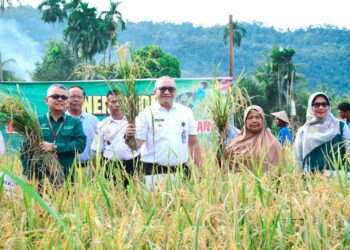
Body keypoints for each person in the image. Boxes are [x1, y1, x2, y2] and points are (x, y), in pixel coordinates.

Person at [124, 76, 202, 179]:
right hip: (152, 172)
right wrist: (128, 137)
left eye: (171, 89)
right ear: (155, 91)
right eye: (162, 88)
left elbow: (193, 143)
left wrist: (201, 170)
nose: (167, 92)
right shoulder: (146, 114)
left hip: (181, 170)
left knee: (183, 196)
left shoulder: (186, 112)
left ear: (175, 92)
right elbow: (137, 145)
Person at [21, 84, 86, 182]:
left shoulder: (75, 122)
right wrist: (27, 173)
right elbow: (25, 150)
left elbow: (80, 145)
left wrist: (55, 147)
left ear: (67, 101)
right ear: (46, 100)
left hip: (66, 178)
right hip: (40, 179)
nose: (60, 99)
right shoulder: (35, 122)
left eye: (64, 97)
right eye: (55, 96)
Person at [91, 90, 140, 188]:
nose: (117, 105)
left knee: (134, 194)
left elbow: (142, 147)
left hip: (133, 163)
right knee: (113, 194)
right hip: (110, 165)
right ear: (107, 104)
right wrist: (96, 173)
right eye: (113, 102)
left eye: (121, 101)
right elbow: (97, 150)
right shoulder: (102, 125)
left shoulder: (135, 122)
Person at [294, 92, 350, 173]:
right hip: (313, 181)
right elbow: (298, 159)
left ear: (329, 106)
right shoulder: (303, 131)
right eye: (316, 104)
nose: (321, 107)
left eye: (324, 104)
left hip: (339, 181)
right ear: (310, 107)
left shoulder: (341, 127)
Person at [227, 105, 282, 172]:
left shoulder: (273, 143)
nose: (254, 120)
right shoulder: (237, 142)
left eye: (258, 117)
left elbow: (282, 170)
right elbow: (226, 166)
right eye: (250, 118)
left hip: (267, 182)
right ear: (245, 121)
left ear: (263, 120)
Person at [67, 86, 99, 171]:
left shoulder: (93, 120)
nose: (76, 99)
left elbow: (98, 144)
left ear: (84, 99)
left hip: (87, 167)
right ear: (67, 99)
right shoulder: (61, 119)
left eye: (79, 97)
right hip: (66, 167)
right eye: (73, 96)